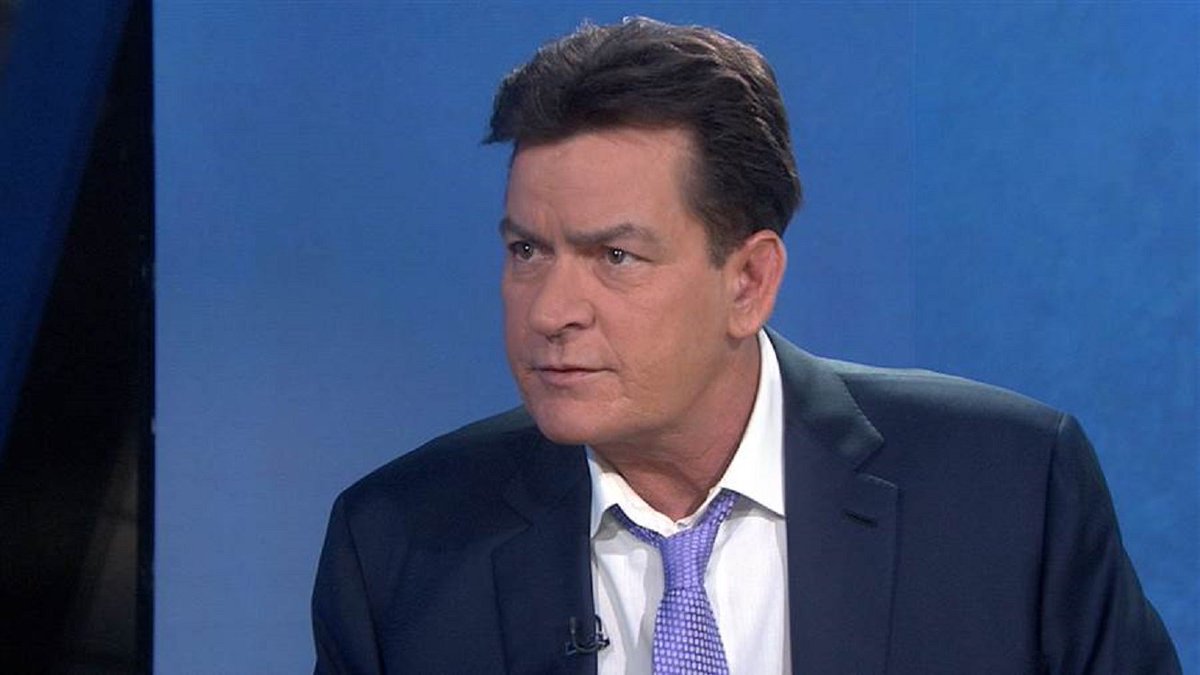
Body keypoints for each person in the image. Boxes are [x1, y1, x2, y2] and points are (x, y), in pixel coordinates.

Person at [312, 17, 1180, 674]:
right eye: (527, 251)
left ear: (749, 282)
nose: (551, 310)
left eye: (615, 256)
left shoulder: (1008, 490)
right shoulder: (398, 544)